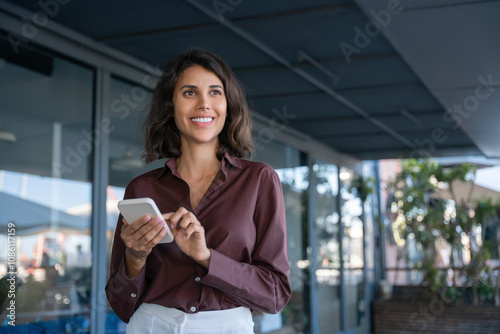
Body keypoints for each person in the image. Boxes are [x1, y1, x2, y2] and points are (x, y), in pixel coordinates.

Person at [105, 48, 291, 333]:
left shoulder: (259, 180)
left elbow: (275, 294)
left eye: (215, 92)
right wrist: (136, 257)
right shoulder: (142, 188)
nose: (204, 104)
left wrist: (207, 258)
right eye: (189, 93)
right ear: (170, 105)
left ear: (228, 105)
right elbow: (121, 304)